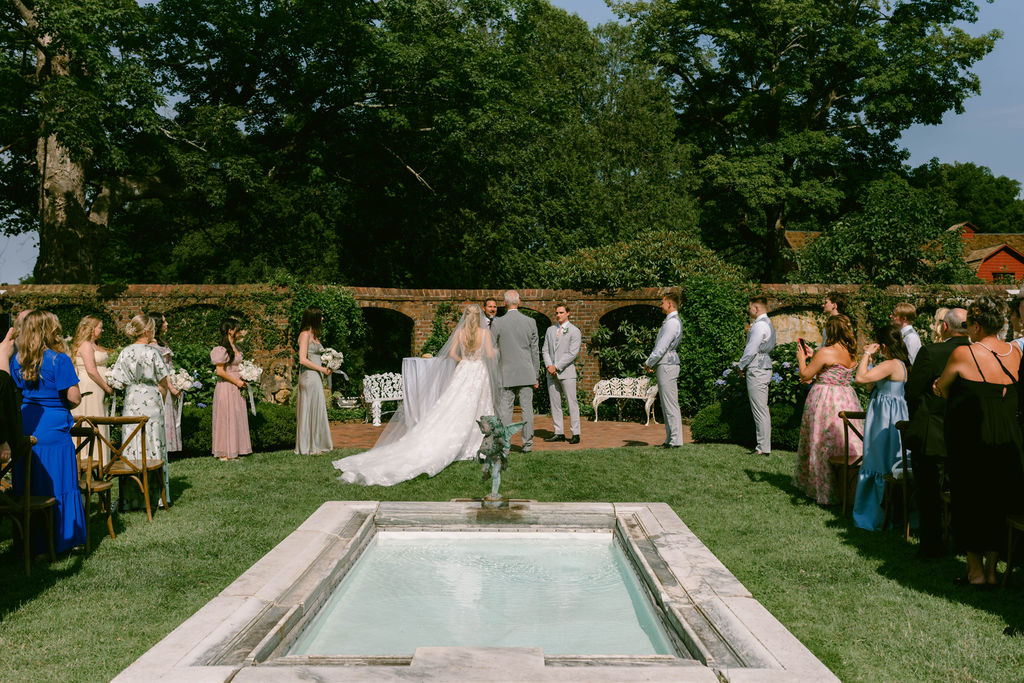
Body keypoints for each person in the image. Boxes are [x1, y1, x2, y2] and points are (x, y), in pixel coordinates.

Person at [333, 304, 501, 485]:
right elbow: (490, 354)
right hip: (478, 373)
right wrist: (495, 352)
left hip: (464, 370)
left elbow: (452, 354)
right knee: (476, 407)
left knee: (454, 406)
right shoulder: (484, 334)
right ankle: (474, 444)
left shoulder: (461, 332)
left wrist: (466, 362)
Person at [934, 297, 1024, 587]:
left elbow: (942, 387)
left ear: (977, 324)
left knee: (970, 502)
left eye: (968, 324)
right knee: (1000, 502)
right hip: (1009, 439)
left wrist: (941, 389)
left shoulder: (965, 354)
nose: (967, 329)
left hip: (973, 440)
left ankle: (974, 572)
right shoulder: (1016, 353)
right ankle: (992, 569)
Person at [8, 310, 86, 553]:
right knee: (59, 480)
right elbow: (74, 398)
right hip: (52, 425)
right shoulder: (58, 359)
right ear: (49, 329)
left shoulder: (16, 361)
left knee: (30, 481)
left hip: (27, 421)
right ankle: (62, 537)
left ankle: (31, 540)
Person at [904, 307, 969, 557]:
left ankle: (931, 546)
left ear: (944, 327)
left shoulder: (932, 351)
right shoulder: (979, 353)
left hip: (934, 432)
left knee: (930, 492)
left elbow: (912, 391)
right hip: (968, 433)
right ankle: (963, 544)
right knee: (963, 491)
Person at [793, 315, 863, 505]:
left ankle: (823, 488)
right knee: (844, 442)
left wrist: (802, 359)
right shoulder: (851, 351)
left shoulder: (826, 352)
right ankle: (848, 488)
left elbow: (806, 374)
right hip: (846, 398)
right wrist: (813, 355)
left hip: (825, 400)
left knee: (821, 441)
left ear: (830, 331)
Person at [109, 314, 172, 508]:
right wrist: (159, 401)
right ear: (147, 331)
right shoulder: (153, 353)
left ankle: (132, 498)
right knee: (154, 443)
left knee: (132, 444)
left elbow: (117, 380)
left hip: (131, 399)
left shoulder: (125, 352)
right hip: (151, 401)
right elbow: (163, 383)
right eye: (152, 328)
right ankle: (156, 497)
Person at [852, 325, 909, 530]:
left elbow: (859, 379)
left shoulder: (891, 364)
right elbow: (869, 385)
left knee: (877, 459)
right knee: (887, 459)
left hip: (885, 418)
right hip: (891, 414)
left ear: (883, 346)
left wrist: (866, 354)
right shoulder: (899, 364)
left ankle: (874, 514)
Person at [492, 290, 539, 454]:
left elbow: (493, 350)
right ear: (519, 303)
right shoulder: (531, 322)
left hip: (506, 374)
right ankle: (527, 445)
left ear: (504, 303)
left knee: (506, 411)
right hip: (527, 373)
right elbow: (535, 351)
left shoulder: (498, 323)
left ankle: (505, 446)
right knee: (527, 410)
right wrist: (536, 375)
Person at [69, 315, 114, 465]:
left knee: (100, 416)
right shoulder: (86, 345)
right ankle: (88, 457)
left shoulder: (94, 345)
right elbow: (91, 370)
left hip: (98, 387)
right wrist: (107, 387)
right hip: (91, 387)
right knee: (92, 417)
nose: (102, 330)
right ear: (91, 329)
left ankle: (102, 458)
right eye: (100, 327)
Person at [737, 296, 776, 456]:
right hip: (764, 365)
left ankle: (762, 447)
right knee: (761, 408)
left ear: (757, 308)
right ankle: (762, 445)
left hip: (757, 367)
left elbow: (751, 348)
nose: (749, 310)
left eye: (750, 307)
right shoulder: (768, 323)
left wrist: (740, 365)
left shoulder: (759, 326)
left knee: (760, 409)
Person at [645, 290, 684, 448]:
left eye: (662, 303)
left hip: (667, 364)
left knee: (670, 403)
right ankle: (670, 439)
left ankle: (675, 440)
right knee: (667, 403)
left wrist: (649, 362)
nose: (661, 305)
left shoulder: (672, 322)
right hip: (666, 364)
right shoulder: (671, 321)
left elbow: (662, 347)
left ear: (669, 304)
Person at [210, 317, 252, 461]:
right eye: (237, 330)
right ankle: (224, 451)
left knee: (236, 415)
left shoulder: (237, 348)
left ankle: (235, 448)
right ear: (230, 331)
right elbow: (220, 371)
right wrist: (236, 381)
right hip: (227, 386)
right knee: (225, 416)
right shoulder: (221, 350)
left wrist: (247, 376)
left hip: (237, 386)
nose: (240, 332)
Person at [295, 306, 333, 454]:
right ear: (314, 318)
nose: (322, 319)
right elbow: (302, 359)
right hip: (309, 377)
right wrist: (322, 369)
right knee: (309, 409)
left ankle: (316, 443)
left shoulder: (315, 336)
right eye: (320, 316)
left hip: (316, 376)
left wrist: (329, 364)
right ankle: (307, 445)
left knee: (316, 408)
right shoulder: (305, 335)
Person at [542, 303, 582, 444]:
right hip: (551, 373)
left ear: (568, 313)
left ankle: (575, 433)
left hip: (567, 373)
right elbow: (545, 350)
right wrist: (549, 366)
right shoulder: (550, 330)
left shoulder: (574, 331)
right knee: (555, 404)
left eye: (561, 312)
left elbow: (572, 353)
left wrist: (557, 366)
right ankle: (558, 432)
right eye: (557, 313)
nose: (558, 315)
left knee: (572, 403)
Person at [148, 312, 182, 454]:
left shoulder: (162, 342)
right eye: (164, 321)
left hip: (169, 382)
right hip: (161, 385)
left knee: (169, 414)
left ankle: (169, 447)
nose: (167, 324)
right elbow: (160, 370)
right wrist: (171, 387)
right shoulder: (152, 345)